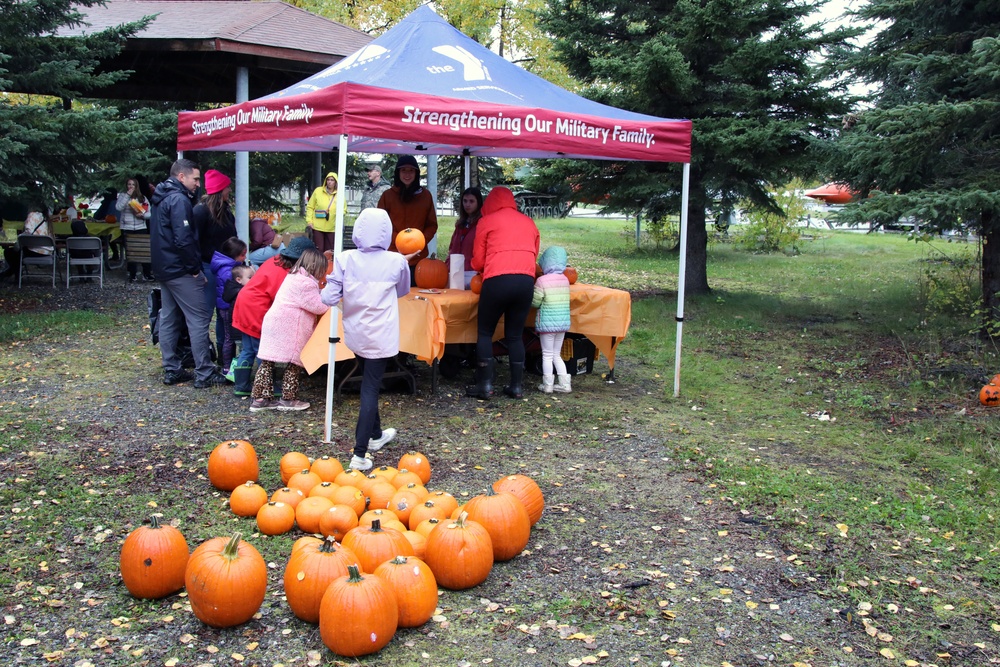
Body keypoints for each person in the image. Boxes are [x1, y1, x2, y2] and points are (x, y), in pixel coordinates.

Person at [321, 208, 410, 471]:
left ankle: (376, 434)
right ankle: (360, 454)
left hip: (356, 332)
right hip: (382, 334)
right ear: (388, 232)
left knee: (368, 381)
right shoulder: (396, 261)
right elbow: (402, 290)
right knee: (370, 388)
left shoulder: (346, 258)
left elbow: (329, 296)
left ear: (358, 230)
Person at [149, 158, 228, 388]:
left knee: (169, 317)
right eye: (195, 179)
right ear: (181, 177)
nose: (198, 184)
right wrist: (194, 269)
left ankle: (171, 368)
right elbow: (183, 239)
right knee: (198, 318)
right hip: (181, 270)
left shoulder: (161, 197)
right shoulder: (178, 200)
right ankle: (204, 372)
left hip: (164, 268)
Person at [467, 186, 540, 400]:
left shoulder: (486, 221)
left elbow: (479, 260)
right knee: (515, 335)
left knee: (485, 333)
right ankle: (516, 386)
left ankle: (485, 385)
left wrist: (479, 268)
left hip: (497, 280)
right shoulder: (529, 222)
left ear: (490, 202)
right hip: (526, 280)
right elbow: (533, 253)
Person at [231, 236, 317, 397]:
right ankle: (266, 387)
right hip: (257, 308)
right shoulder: (287, 273)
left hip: (244, 303)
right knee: (263, 351)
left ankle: (241, 385)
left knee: (248, 349)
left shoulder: (275, 260)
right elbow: (285, 298)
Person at [249, 248, 329, 412]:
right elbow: (318, 306)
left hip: (274, 322)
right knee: (294, 363)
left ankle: (260, 399)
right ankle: (288, 399)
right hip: (290, 327)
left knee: (267, 361)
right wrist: (331, 300)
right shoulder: (306, 283)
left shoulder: (294, 277)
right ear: (315, 267)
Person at [192, 169, 237, 361]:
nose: (229, 190)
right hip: (208, 267)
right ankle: (202, 357)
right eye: (227, 187)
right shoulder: (200, 211)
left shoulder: (226, 211)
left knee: (225, 313)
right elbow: (193, 240)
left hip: (226, 268)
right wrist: (197, 269)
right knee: (206, 313)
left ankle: (223, 356)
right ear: (220, 189)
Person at [377, 155, 438, 271]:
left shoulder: (425, 196)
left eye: (411, 171)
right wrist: (399, 241)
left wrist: (419, 242)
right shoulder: (388, 196)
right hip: (393, 254)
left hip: (418, 256)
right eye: (403, 170)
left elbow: (432, 225)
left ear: (416, 173)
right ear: (398, 173)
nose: (407, 175)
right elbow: (381, 224)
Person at [532, 246, 573, 394]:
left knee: (547, 355)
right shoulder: (565, 280)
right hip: (562, 325)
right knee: (556, 354)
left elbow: (535, 302)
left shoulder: (542, 281)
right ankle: (564, 384)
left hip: (547, 325)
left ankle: (548, 385)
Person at [211, 237, 248, 377]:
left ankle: (228, 364)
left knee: (229, 337)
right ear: (234, 255)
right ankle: (227, 368)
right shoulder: (228, 271)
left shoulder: (226, 266)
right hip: (227, 307)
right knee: (229, 337)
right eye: (242, 254)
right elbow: (232, 289)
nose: (245, 257)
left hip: (225, 306)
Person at [222, 264, 255, 382]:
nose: (254, 280)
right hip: (240, 329)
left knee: (243, 352)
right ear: (238, 280)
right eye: (250, 277)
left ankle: (235, 375)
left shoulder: (233, 291)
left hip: (237, 328)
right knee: (244, 353)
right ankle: (239, 377)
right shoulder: (242, 293)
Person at [117, 177, 153, 282]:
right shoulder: (123, 196)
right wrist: (127, 196)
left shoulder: (142, 198)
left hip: (140, 227)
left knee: (143, 250)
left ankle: (146, 273)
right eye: (129, 184)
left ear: (136, 186)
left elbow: (149, 213)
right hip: (127, 227)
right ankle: (132, 274)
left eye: (133, 184)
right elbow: (118, 207)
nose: (131, 186)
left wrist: (142, 215)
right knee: (130, 251)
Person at [2, 209, 53, 282]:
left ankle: (15, 275)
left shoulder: (32, 215)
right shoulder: (46, 217)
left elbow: (28, 231)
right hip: (47, 251)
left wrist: (20, 237)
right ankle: (10, 273)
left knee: (9, 252)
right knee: (16, 254)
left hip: (34, 250)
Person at [448, 186, 483, 287]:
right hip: (456, 271)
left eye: (471, 201)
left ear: (478, 203)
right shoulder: (460, 225)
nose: (467, 205)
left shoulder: (482, 224)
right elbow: (452, 248)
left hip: (473, 273)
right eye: (465, 201)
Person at [306, 172, 343, 255]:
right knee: (319, 250)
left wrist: (337, 217)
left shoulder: (340, 194)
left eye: (332, 180)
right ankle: (318, 266)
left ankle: (329, 267)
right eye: (328, 180)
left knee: (329, 251)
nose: (329, 182)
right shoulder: (318, 191)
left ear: (336, 182)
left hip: (332, 227)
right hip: (317, 226)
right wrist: (309, 221)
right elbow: (310, 207)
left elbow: (343, 209)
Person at [69, 218, 100, 283]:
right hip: (89, 256)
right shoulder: (91, 239)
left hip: (75, 257)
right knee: (91, 256)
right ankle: (89, 277)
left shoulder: (71, 239)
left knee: (78, 259)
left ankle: (81, 277)